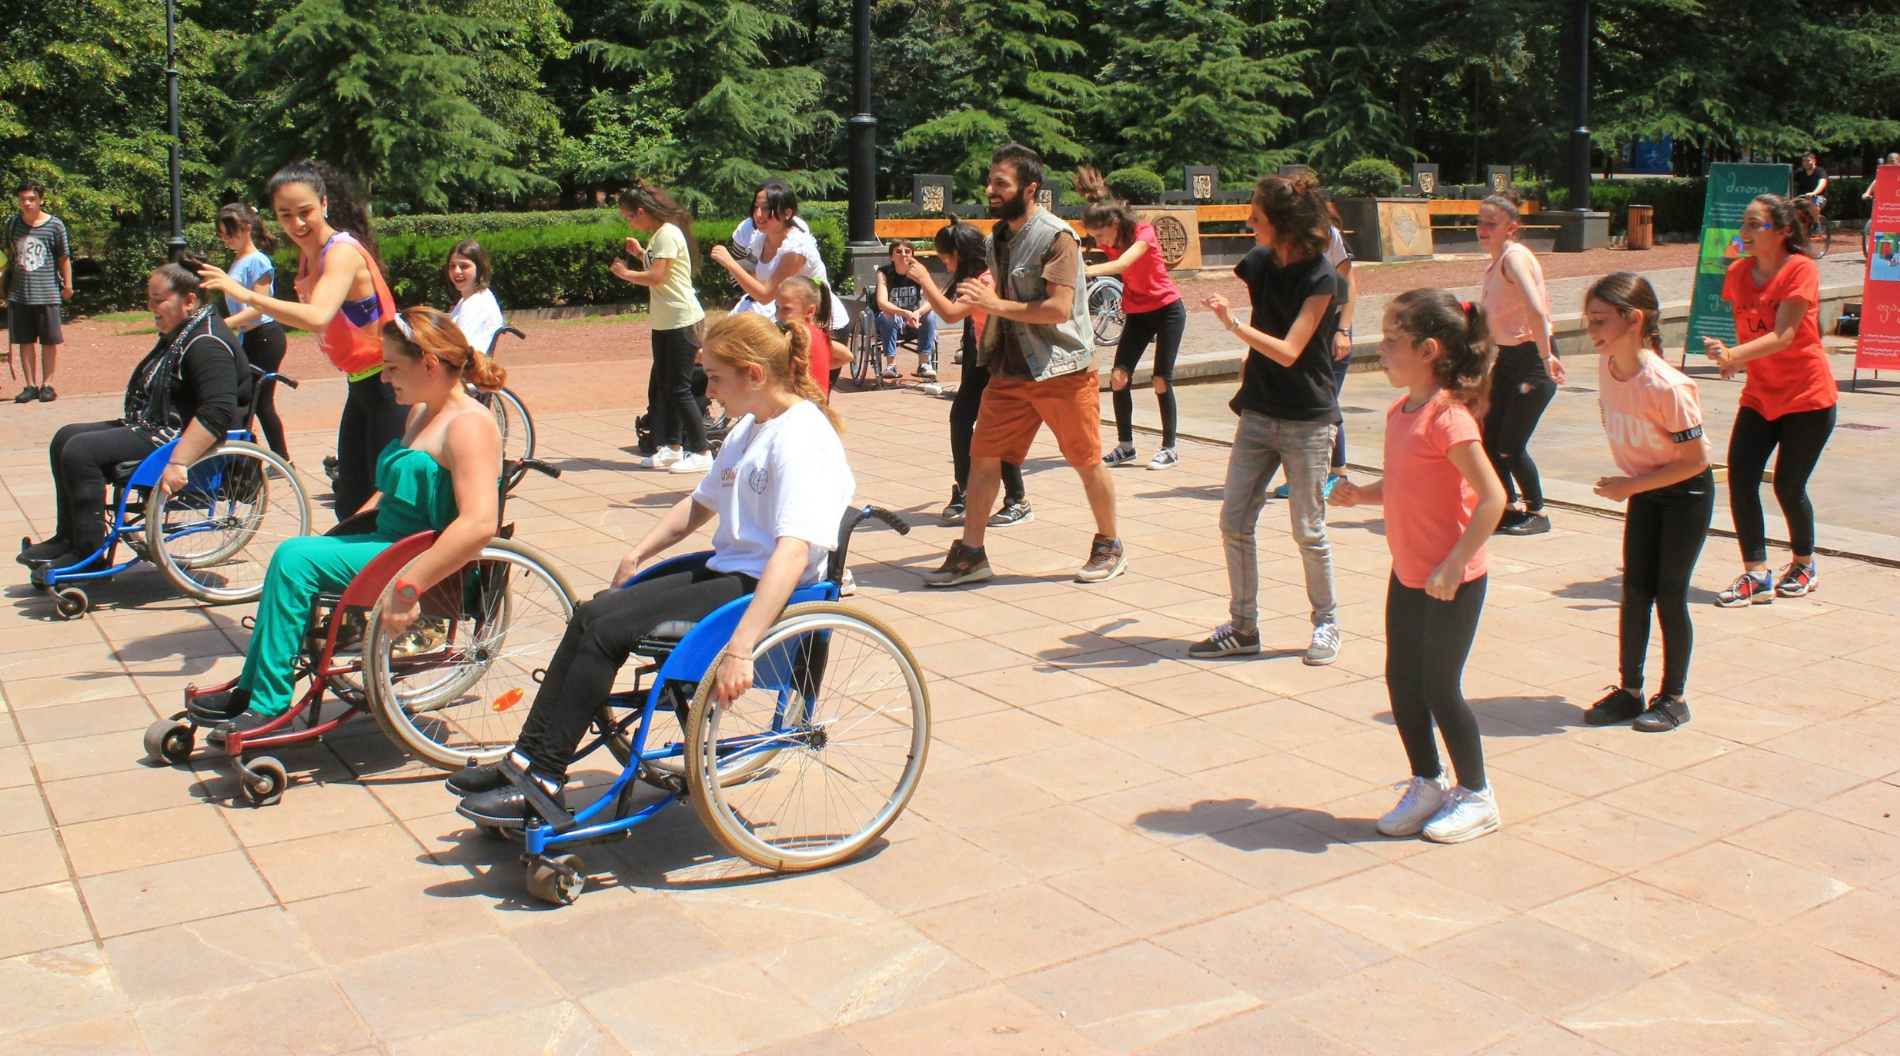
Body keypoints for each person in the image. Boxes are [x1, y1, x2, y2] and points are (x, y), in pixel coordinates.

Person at [445, 312, 855, 823]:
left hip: (763, 586)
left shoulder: (801, 438)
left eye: (716, 379)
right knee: (592, 614)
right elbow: (700, 503)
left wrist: (742, 649)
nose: (708, 392)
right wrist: (637, 554)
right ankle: (525, 760)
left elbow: (793, 553)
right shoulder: (751, 426)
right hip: (731, 571)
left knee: (607, 633)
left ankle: (545, 776)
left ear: (754, 374)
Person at [183, 306, 505, 733]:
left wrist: (408, 587)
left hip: (423, 560)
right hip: (388, 544)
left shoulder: (469, 426)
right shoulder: (422, 412)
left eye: (392, 367)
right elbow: (394, 486)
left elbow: (480, 523)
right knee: (297, 559)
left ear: (429, 364)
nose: (385, 378)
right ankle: (254, 686)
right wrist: (354, 522)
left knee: (294, 560)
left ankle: (267, 699)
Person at [1332, 289, 1507, 844]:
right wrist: (1364, 496)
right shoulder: (1400, 411)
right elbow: (1408, 483)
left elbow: (1493, 497)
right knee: (1402, 680)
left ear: (1429, 349)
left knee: (1439, 686)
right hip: (1409, 570)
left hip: (1451, 577)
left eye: (1390, 340)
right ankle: (1428, 782)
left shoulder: (1449, 418)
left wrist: (1455, 564)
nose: (1379, 349)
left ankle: (1477, 795)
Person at [920, 143, 1125, 587]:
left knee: (1087, 459)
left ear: (1029, 188)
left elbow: (1058, 309)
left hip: (1061, 369)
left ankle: (1110, 543)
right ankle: (971, 554)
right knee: (983, 458)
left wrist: (995, 303)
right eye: (991, 181)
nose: (991, 190)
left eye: (1001, 183)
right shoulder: (998, 239)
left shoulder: (1057, 238)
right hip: (1009, 372)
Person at [1191, 173, 1344, 665]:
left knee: (1308, 530)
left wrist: (1234, 326)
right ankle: (1243, 627)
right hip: (1258, 411)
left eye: (1256, 214)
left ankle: (1326, 625)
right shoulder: (1256, 262)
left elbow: (1290, 350)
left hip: (1308, 418)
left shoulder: (1322, 276)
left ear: (1280, 222)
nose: (1248, 219)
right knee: (1234, 521)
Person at [198, 161, 402, 521]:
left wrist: (246, 296)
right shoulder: (310, 257)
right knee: (350, 505)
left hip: (393, 384)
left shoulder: (341, 251)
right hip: (361, 385)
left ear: (325, 205)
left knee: (383, 508)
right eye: (285, 214)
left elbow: (318, 316)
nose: (297, 223)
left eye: (306, 211)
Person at [19, 261, 251, 574]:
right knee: (66, 436)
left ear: (190, 300)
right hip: (160, 425)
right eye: (150, 298)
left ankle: (87, 553)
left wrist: (179, 462)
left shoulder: (206, 342)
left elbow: (218, 410)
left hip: (178, 438)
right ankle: (68, 538)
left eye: (159, 300)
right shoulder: (187, 330)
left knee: (81, 451)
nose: (151, 307)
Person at [1582, 272, 1713, 733]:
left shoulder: (1668, 386)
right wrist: (1632, 486)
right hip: (1642, 489)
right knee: (1635, 590)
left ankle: (1674, 697)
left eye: (1600, 319)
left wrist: (1629, 487)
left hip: (1684, 495)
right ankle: (1630, 691)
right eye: (1589, 319)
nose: (1591, 329)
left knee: (1669, 595)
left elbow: (1696, 462)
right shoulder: (1608, 365)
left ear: (1633, 319)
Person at [1703, 194, 1836, 606]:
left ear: (1781, 232)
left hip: (1807, 397)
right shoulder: (1739, 273)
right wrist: (1733, 362)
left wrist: (1732, 356)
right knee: (1741, 479)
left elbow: (1783, 336)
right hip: (1760, 396)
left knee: (1788, 486)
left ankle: (1803, 563)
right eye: (1743, 222)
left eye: (1754, 224)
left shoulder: (1800, 269)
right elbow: (1747, 327)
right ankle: (1756, 574)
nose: (1743, 231)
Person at [906, 218, 1031, 526]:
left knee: (996, 430)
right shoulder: (972, 277)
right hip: (982, 356)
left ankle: (1018, 500)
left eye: (945, 256)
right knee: (961, 419)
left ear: (959, 254)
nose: (942, 262)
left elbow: (948, 312)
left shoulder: (987, 279)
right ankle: (965, 491)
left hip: (1005, 362)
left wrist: (924, 278)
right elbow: (946, 301)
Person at [1078, 168, 1186, 472]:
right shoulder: (1108, 240)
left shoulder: (1144, 233)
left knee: (1161, 379)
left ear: (1114, 224)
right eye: (1094, 237)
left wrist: (1084, 272)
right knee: (1118, 377)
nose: (1098, 242)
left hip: (1167, 310)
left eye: (1099, 235)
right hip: (1137, 312)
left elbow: (1124, 262)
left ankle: (1169, 448)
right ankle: (1126, 446)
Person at [1476, 192, 1563, 536]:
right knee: (1487, 438)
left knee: (1510, 445)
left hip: (1533, 361)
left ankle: (1538, 513)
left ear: (1511, 228)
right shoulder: (1497, 262)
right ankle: (1508, 507)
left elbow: (1536, 309)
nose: (1483, 228)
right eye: (1480, 222)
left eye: (1491, 223)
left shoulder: (1514, 258)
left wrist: (1547, 357)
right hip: (1510, 359)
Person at [613, 182, 713, 474]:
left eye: (630, 217)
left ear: (641, 212)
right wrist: (641, 252)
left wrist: (626, 273)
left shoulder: (668, 233)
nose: (630, 222)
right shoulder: (660, 236)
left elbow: (657, 276)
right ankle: (672, 448)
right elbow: (662, 268)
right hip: (665, 321)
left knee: (680, 388)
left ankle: (702, 450)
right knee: (667, 387)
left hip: (682, 319)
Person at [709, 184, 849, 332]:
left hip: (822, 324)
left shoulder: (796, 248)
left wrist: (730, 263)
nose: (758, 214)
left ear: (787, 214)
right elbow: (760, 282)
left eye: (766, 208)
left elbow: (766, 295)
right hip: (791, 321)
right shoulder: (761, 240)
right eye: (756, 207)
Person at [216, 203, 290, 461]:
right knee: (247, 400)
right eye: (222, 234)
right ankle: (247, 455)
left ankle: (279, 458)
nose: (225, 239)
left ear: (247, 229)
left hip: (266, 337)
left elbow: (258, 308)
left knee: (260, 401)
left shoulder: (258, 261)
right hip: (249, 338)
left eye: (230, 233)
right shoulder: (239, 260)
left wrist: (225, 323)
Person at [5, 180, 72, 403]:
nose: (27, 203)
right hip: (19, 292)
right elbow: (6, 255)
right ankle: (30, 385)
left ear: (41, 200)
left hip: (47, 292)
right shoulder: (12, 225)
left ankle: (48, 384)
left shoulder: (55, 225)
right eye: (23, 199)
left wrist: (68, 286)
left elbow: (64, 258)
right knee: (25, 340)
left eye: (31, 199)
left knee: (49, 341)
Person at [873, 240, 938, 380]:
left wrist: (918, 313)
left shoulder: (919, 271)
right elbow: (882, 303)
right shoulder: (884, 272)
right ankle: (891, 365)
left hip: (912, 319)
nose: (903, 254)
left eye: (907, 251)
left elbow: (932, 299)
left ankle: (924, 364)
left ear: (912, 255)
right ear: (891, 257)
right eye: (898, 251)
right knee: (889, 314)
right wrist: (904, 313)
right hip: (888, 319)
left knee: (929, 314)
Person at [774, 275, 841, 396]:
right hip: (816, 407)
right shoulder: (819, 334)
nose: (778, 314)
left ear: (810, 311)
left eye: (786, 309)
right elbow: (847, 356)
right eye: (777, 307)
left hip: (799, 405)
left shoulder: (797, 335)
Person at [446, 239, 505, 355]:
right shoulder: (467, 300)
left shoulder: (476, 304)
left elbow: (459, 350)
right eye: (452, 266)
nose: (457, 271)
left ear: (480, 269)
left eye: (464, 266)